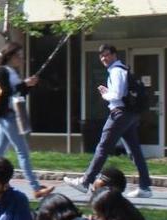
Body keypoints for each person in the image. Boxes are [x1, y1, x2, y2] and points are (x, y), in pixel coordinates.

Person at [66, 44, 153, 199]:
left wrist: (105, 94)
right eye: (101, 56)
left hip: (119, 114)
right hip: (129, 115)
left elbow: (117, 94)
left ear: (114, 55)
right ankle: (145, 187)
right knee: (134, 151)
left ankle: (85, 182)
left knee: (103, 147)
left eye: (107, 55)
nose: (104, 58)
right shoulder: (120, 70)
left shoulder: (116, 70)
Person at [0, 43, 53, 199]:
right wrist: (24, 84)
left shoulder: (12, 72)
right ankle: (36, 188)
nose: (21, 59)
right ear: (10, 56)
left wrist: (29, 85)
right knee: (22, 152)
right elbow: (6, 91)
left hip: (10, 115)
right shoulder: (2, 72)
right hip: (7, 116)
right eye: (19, 55)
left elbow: (19, 92)